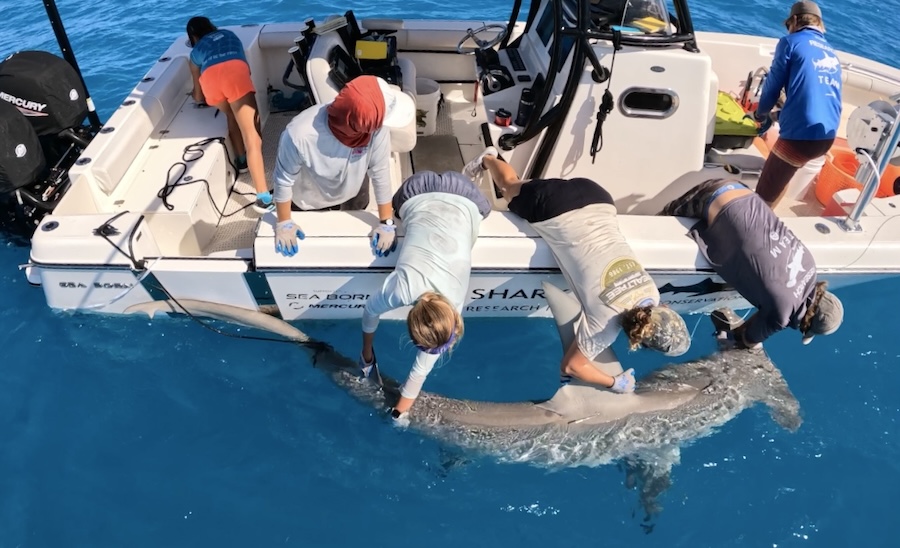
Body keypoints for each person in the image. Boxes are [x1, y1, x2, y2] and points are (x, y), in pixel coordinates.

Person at [463, 148, 690, 393]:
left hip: (598, 197)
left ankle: (491, 159)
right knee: (509, 186)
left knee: (523, 185)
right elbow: (571, 366)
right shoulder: (605, 325)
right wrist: (616, 383)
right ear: (640, 340)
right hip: (554, 208)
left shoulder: (653, 293)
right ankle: (486, 159)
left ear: (665, 310)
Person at [358, 170, 491, 424]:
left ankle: (471, 172)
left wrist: (367, 354)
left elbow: (369, 312)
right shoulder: (403, 290)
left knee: (480, 212)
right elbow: (418, 374)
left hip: (460, 193)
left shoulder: (450, 303)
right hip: (417, 191)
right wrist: (399, 415)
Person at [660, 178, 844, 349]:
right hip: (711, 200)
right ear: (806, 324)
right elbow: (747, 341)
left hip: (740, 191)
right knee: (660, 222)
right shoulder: (782, 315)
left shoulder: (810, 265)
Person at [271, 75, 414, 258]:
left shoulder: (377, 126)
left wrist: (386, 221)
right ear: (358, 125)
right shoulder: (298, 135)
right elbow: (283, 180)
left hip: (353, 191)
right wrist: (284, 222)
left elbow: (380, 171)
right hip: (310, 199)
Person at [752, 1, 842, 208]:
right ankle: (768, 219)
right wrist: (775, 116)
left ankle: (755, 232)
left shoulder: (790, 42)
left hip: (800, 137)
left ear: (794, 21)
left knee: (763, 193)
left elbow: (772, 87)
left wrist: (759, 115)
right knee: (782, 175)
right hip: (827, 136)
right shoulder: (831, 53)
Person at [186, 16, 271, 214]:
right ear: (212, 27)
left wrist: (196, 97)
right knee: (252, 136)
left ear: (194, 36)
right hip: (235, 76)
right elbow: (242, 66)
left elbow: (198, 95)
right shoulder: (229, 35)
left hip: (211, 84)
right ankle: (263, 197)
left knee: (230, 116)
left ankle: (241, 162)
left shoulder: (195, 52)